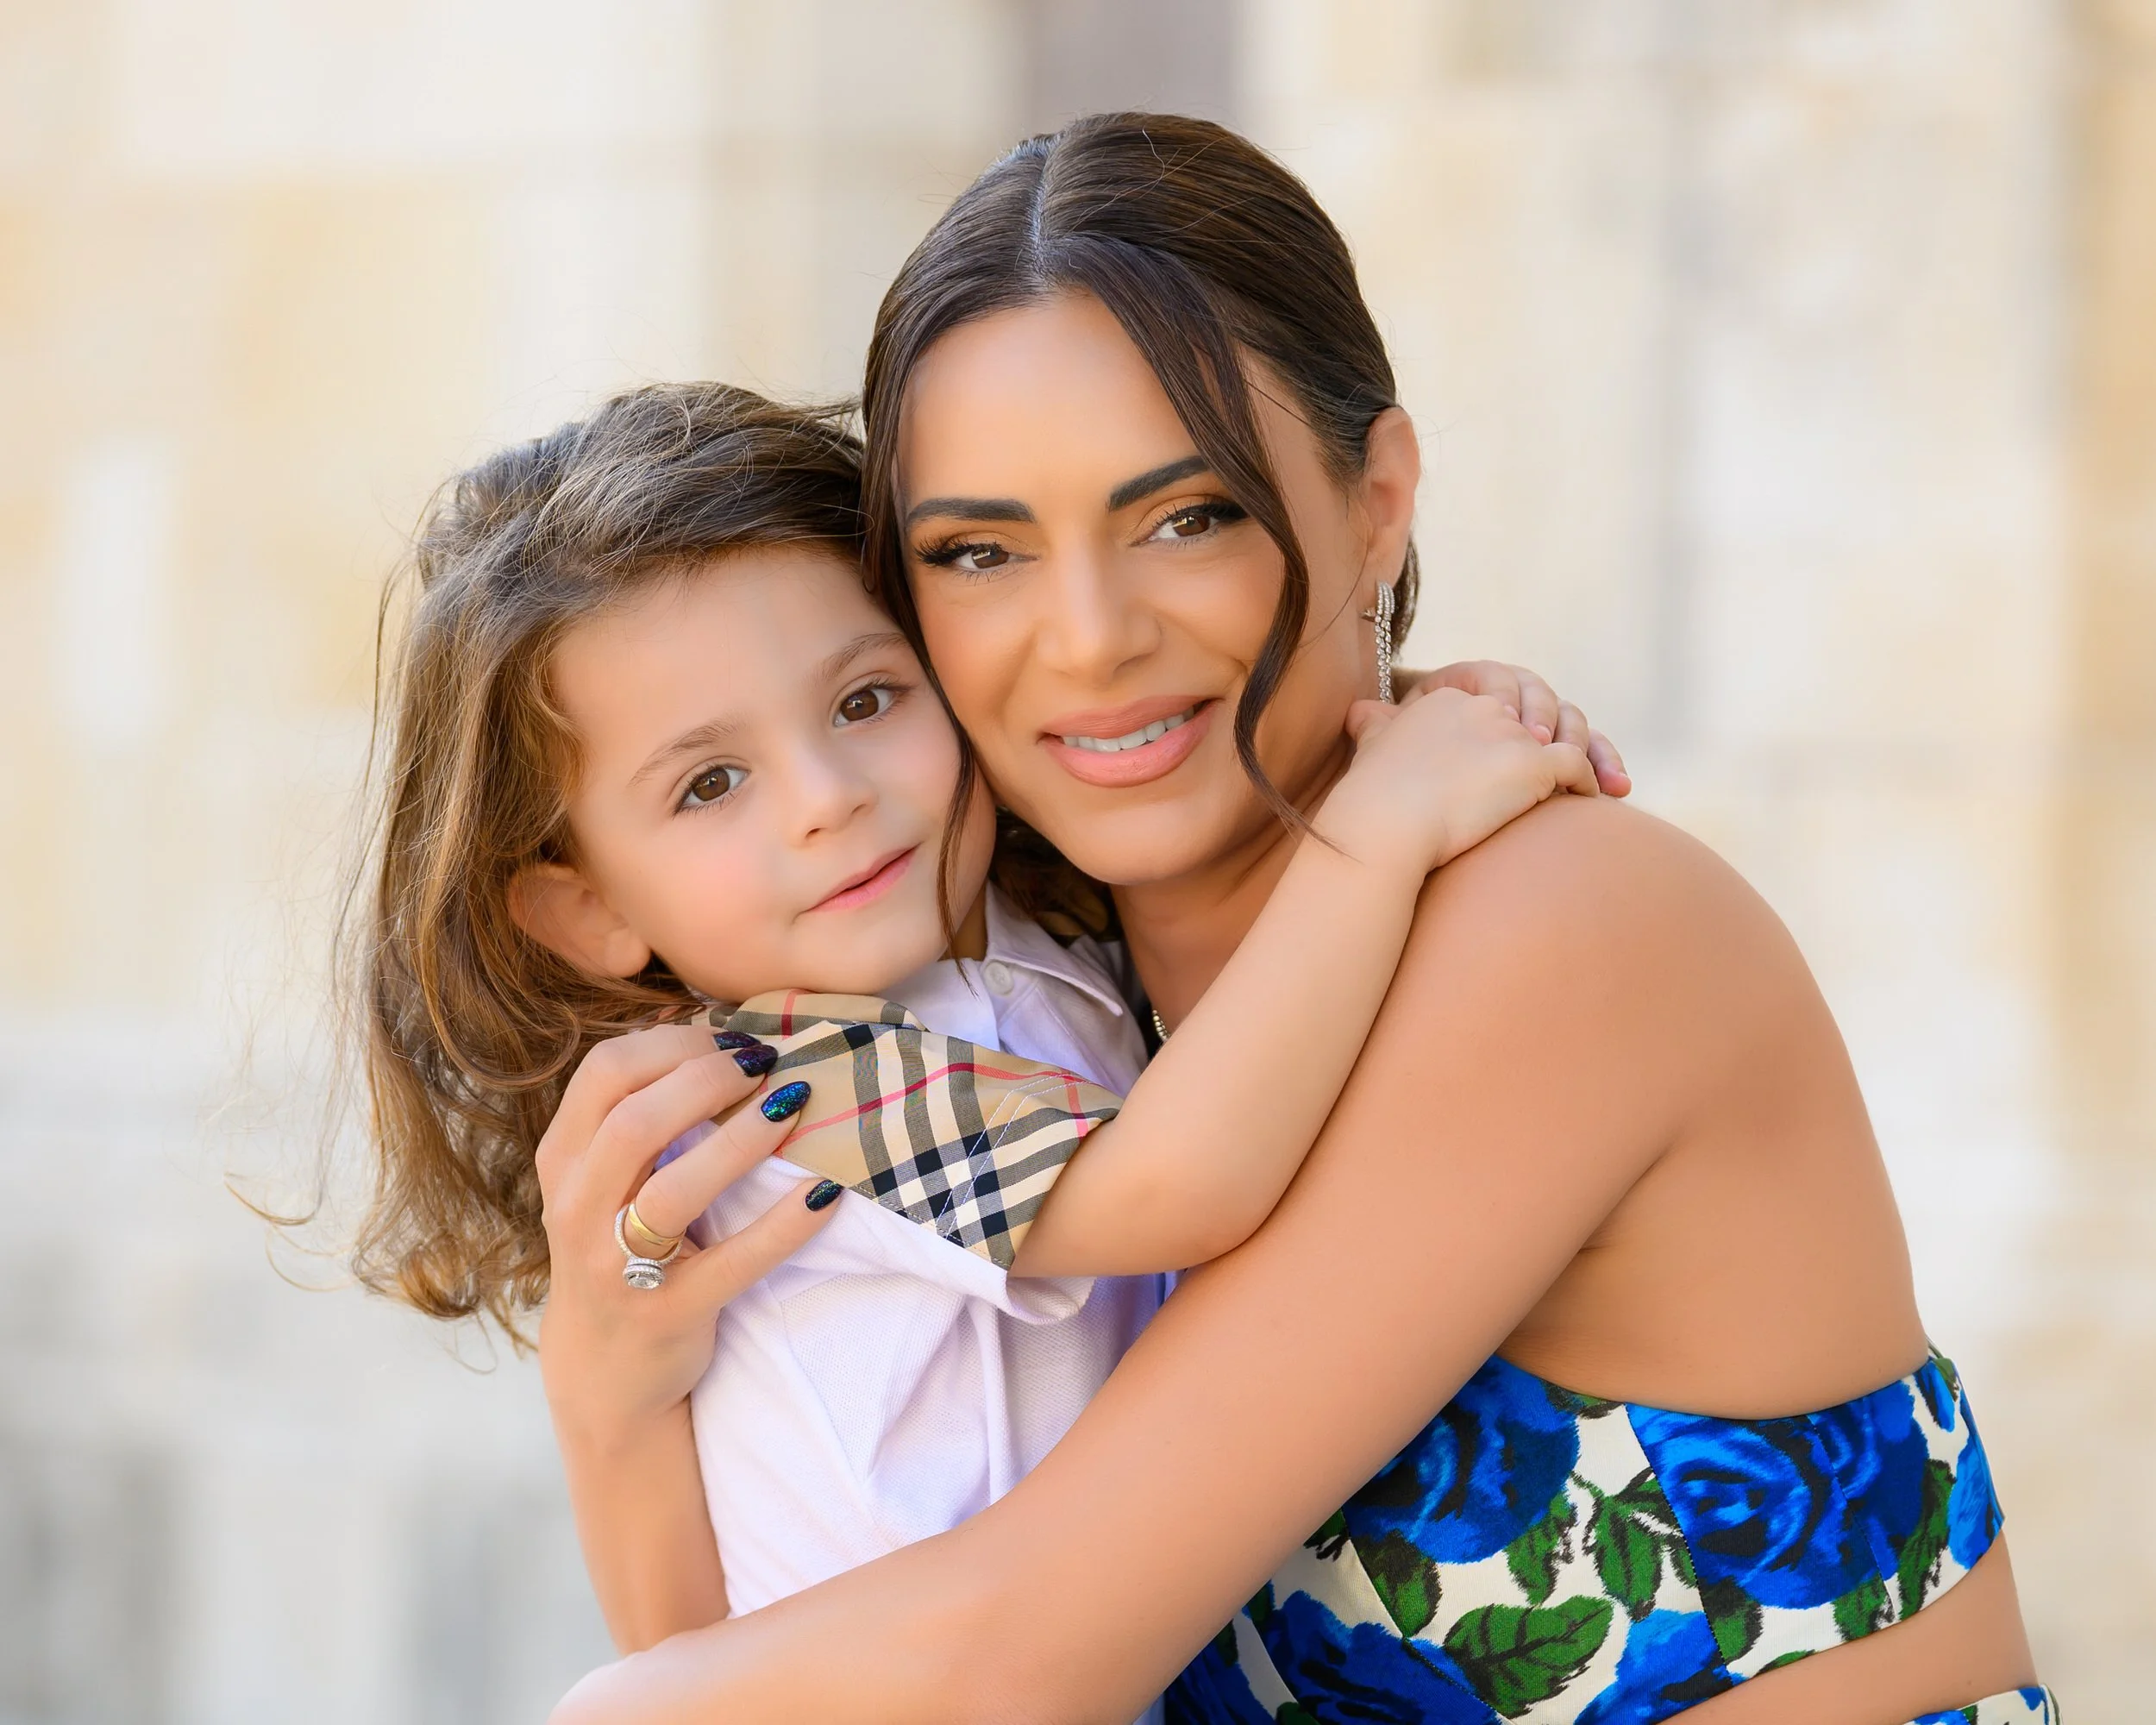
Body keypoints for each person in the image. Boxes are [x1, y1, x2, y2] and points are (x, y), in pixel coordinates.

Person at [551, 114, 2051, 1725]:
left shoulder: (1563, 916)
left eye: (1187, 517)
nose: (1089, 638)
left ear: (1377, 500)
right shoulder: (1061, 998)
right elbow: (766, 1638)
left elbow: (1009, 1658)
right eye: (980, 551)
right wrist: (612, 1398)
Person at [348, 379, 1602, 1702]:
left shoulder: (1012, 944)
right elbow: (1178, 1186)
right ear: (588, 906)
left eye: (865, 702)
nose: (830, 799)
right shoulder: (785, 1083)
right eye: (710, 784)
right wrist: (1385, 827)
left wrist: (1390, 716)